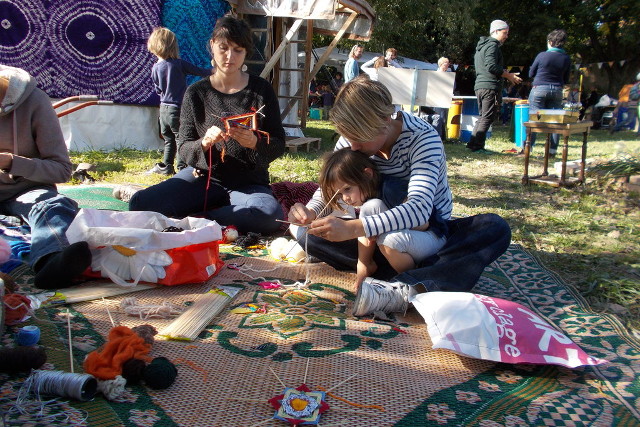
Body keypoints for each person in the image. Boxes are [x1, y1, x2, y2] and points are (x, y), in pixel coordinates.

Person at [288, 76, 511, 317]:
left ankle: (407, 286)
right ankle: (421, 278)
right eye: (348, 137)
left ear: (385, 119)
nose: (351, 146)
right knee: (304, 232)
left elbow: (419, 209)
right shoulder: (352, 140)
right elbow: (331, 189)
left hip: (428, 236)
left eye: (359, 137)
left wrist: (353, 229)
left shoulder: (423, 139)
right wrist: (311, 211)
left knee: (493, 228)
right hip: (372, 239)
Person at [128, 16, 286, 235]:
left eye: (238, 50)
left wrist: (255, 142)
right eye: (223, 48)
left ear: (246, 53)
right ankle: (218, 213)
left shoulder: (261, 90)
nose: (230, 56)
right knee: (141, 203)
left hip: (248, 184)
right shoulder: (196, 93)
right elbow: (183, 147)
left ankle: (200, 217)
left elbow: (278, 143)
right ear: (212, 45)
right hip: (204, 178)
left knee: (269, 216)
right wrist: (204, 142)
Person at [0, 65, 91, 290]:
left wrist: (12, 163)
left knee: (52, 206)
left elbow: (61, 169)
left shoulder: (34, 102)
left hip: (26, 190)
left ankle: (52, 262)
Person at [316, 148, 445, 290]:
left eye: (348, 189)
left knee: (390, 240)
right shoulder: (369, 197)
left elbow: (423, 223)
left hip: (433, 237)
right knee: (371, 207)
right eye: (339, 194)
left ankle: (414, 282)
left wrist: (380, 227)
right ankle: (365, 265)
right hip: (408, 242)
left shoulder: (391, 189)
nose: (345, 198)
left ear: (367, 174)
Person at [146, 27, 213, 175]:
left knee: (168, 138)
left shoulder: (155, 68)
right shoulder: (179, 64)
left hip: (163, 109)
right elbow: (200, 72)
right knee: (180, 138)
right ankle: (182, 168)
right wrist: (215, 71)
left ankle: (167, 166)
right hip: (177, 108)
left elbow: (158, 90)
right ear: (173, 45)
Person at [467, 19, 522, 153]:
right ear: (496, 31)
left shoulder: (482, 46)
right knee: (487, 117)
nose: (507, 36)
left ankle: (472, 144)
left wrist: (505, 74)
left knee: (483, 116)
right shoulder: (492, 45)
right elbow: (491, 66)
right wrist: (508, 76)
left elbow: (489, 66)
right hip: (489, 85)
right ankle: (478, 146)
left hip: (481, 85)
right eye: (505, 33)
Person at [526, 29, 571, 155]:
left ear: (550, 42)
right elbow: (566, 79)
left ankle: (528, 148)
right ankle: (552, 151)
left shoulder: (542, 55)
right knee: (555, 121)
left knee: (534, 119)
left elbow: (531, 73)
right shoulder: (566, 58)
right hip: (557, 90)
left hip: (539, 88)